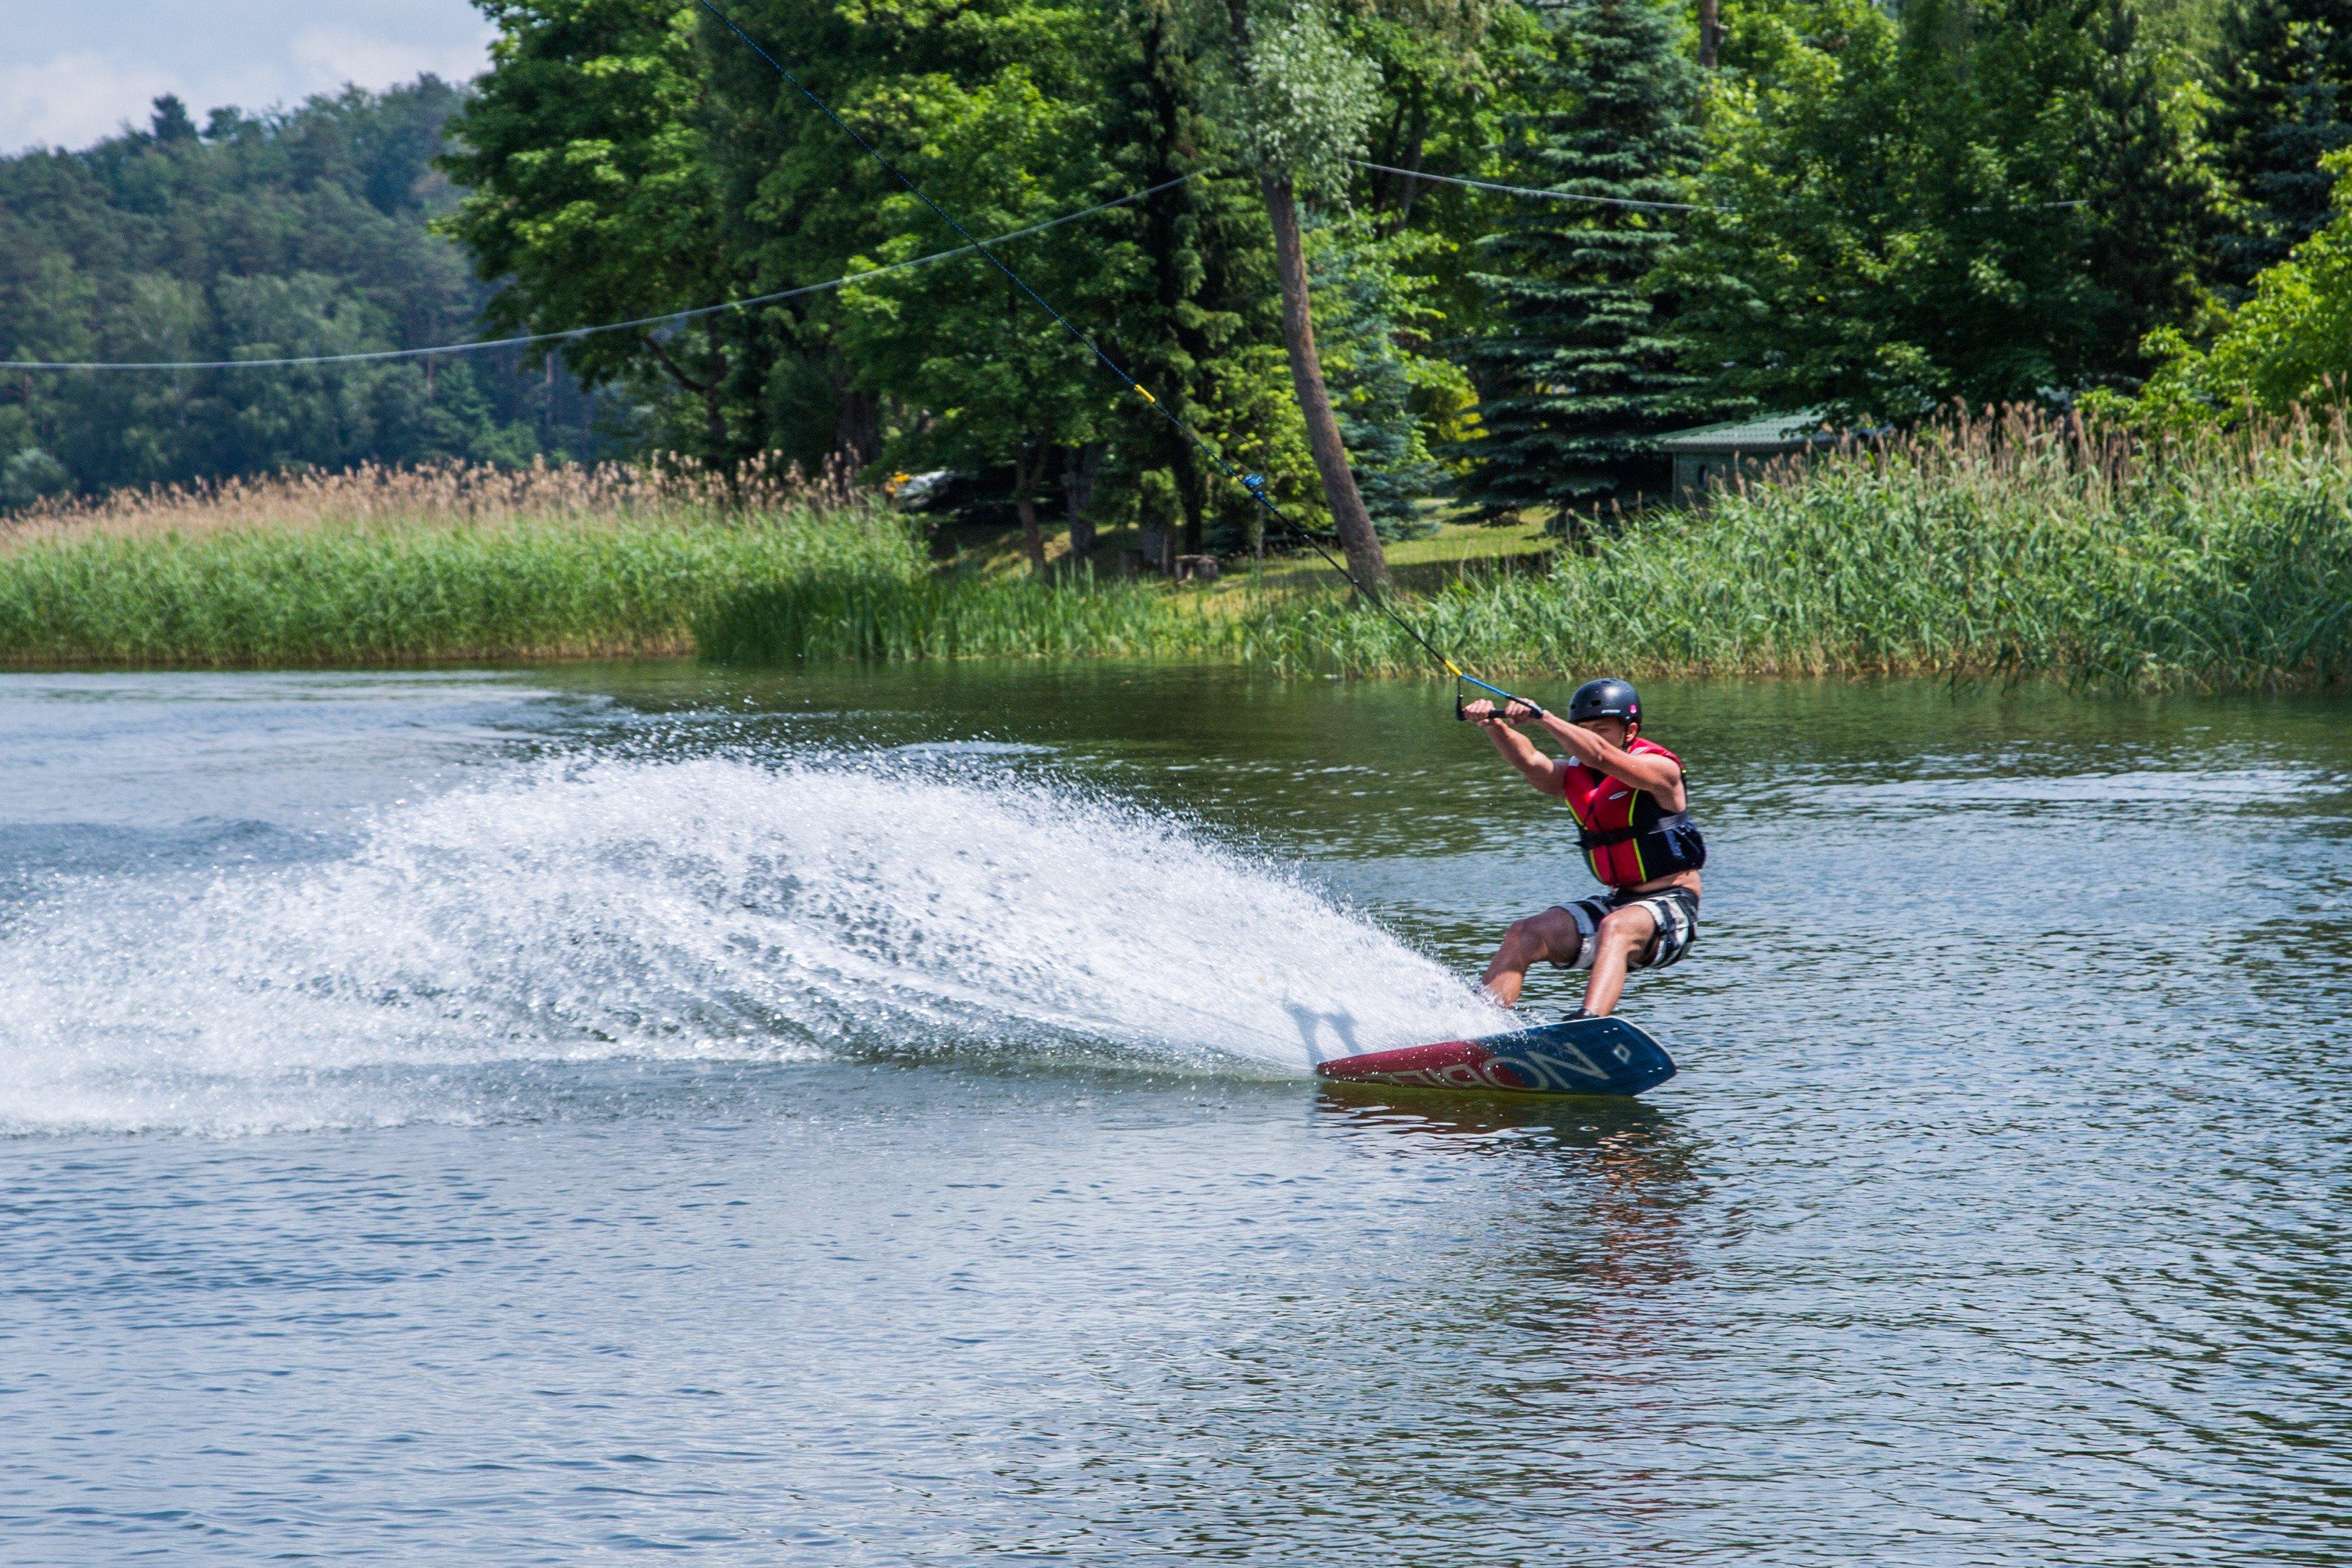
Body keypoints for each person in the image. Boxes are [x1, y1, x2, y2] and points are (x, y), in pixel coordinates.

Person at [1460, 677, 1705, 1019]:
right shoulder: (1573, 777)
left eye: (1601, 727)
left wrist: (1542, 717)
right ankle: (1475, 1028)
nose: (1590, 736)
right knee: (1524, 933)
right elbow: (1532, 762)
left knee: (1615, 927)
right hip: (1618, 901)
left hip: (1672, 907)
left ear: (1630, 730)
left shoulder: (1661, 770)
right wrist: (1494, 725)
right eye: (1583, 728)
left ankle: (1588, 1026)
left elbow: (1600, 754)